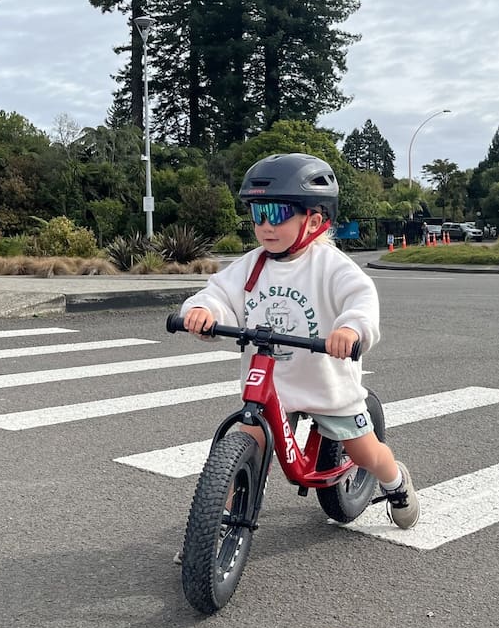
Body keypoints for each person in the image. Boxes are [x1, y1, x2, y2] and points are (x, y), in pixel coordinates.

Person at [178, 152, 420, 531]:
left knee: (364, 451)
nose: (265, 227)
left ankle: (396, 482)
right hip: (271, 386)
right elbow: (218, 295)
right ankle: (211, 529)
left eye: (276, 215)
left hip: (325, 383)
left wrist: (350, 330)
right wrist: (204, 312)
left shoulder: (330, 265)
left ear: (316, 220)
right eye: (258, 215)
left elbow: (361, 299)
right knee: (247, 445)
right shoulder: (252, 264)